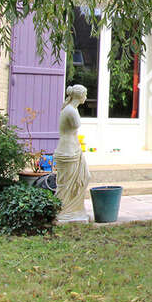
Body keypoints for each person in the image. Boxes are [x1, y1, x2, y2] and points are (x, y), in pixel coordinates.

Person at [54, 84, 91, 223]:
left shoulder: (71, 109)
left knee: (85, 177)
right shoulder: (71, 111)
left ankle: (74, 209)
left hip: (73, 150)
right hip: (68, 151)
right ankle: (64, 210)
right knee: (65, 184)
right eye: (85, 95)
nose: (86, 98)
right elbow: (75, 126)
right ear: (80, 96)